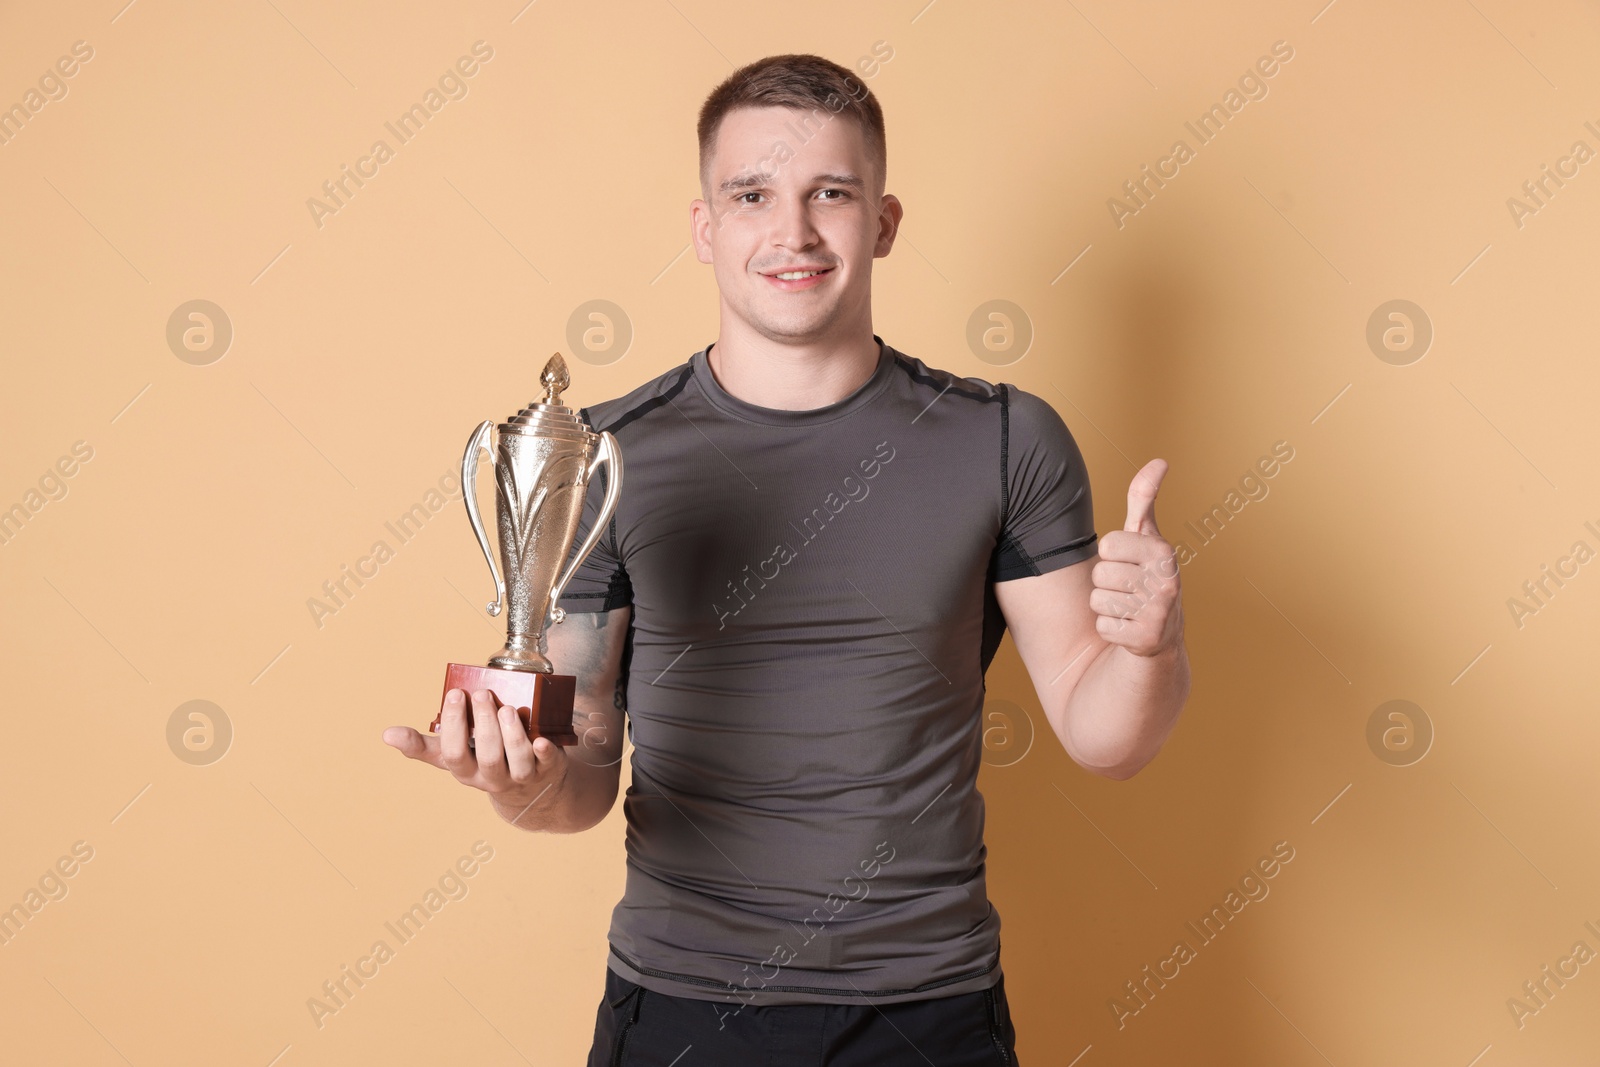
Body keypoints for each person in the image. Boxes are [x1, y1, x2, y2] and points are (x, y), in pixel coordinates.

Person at [384, 52, 1190, 1066]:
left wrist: (1149, 652)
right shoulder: (600, 455)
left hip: (927, 1013)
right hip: (680, 1010)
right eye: (753, 194)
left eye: (831, 194)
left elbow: (1103, 729)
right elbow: (582, 779)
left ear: (883, 221)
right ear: (705, 227)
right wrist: (514, 779)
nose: (793, 232)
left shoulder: (1005, 440)